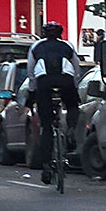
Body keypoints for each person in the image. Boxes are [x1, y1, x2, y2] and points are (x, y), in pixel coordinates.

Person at [26, 21, 81, 185]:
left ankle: (46, 166)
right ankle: (71, 131)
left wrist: (31, 93)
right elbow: (76, 69)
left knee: (46, 125)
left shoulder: (36, 47)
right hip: (66, 81)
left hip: (44, 84)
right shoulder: (67, 46)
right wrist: (74, 89)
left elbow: (31, 72)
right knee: (72, 106)